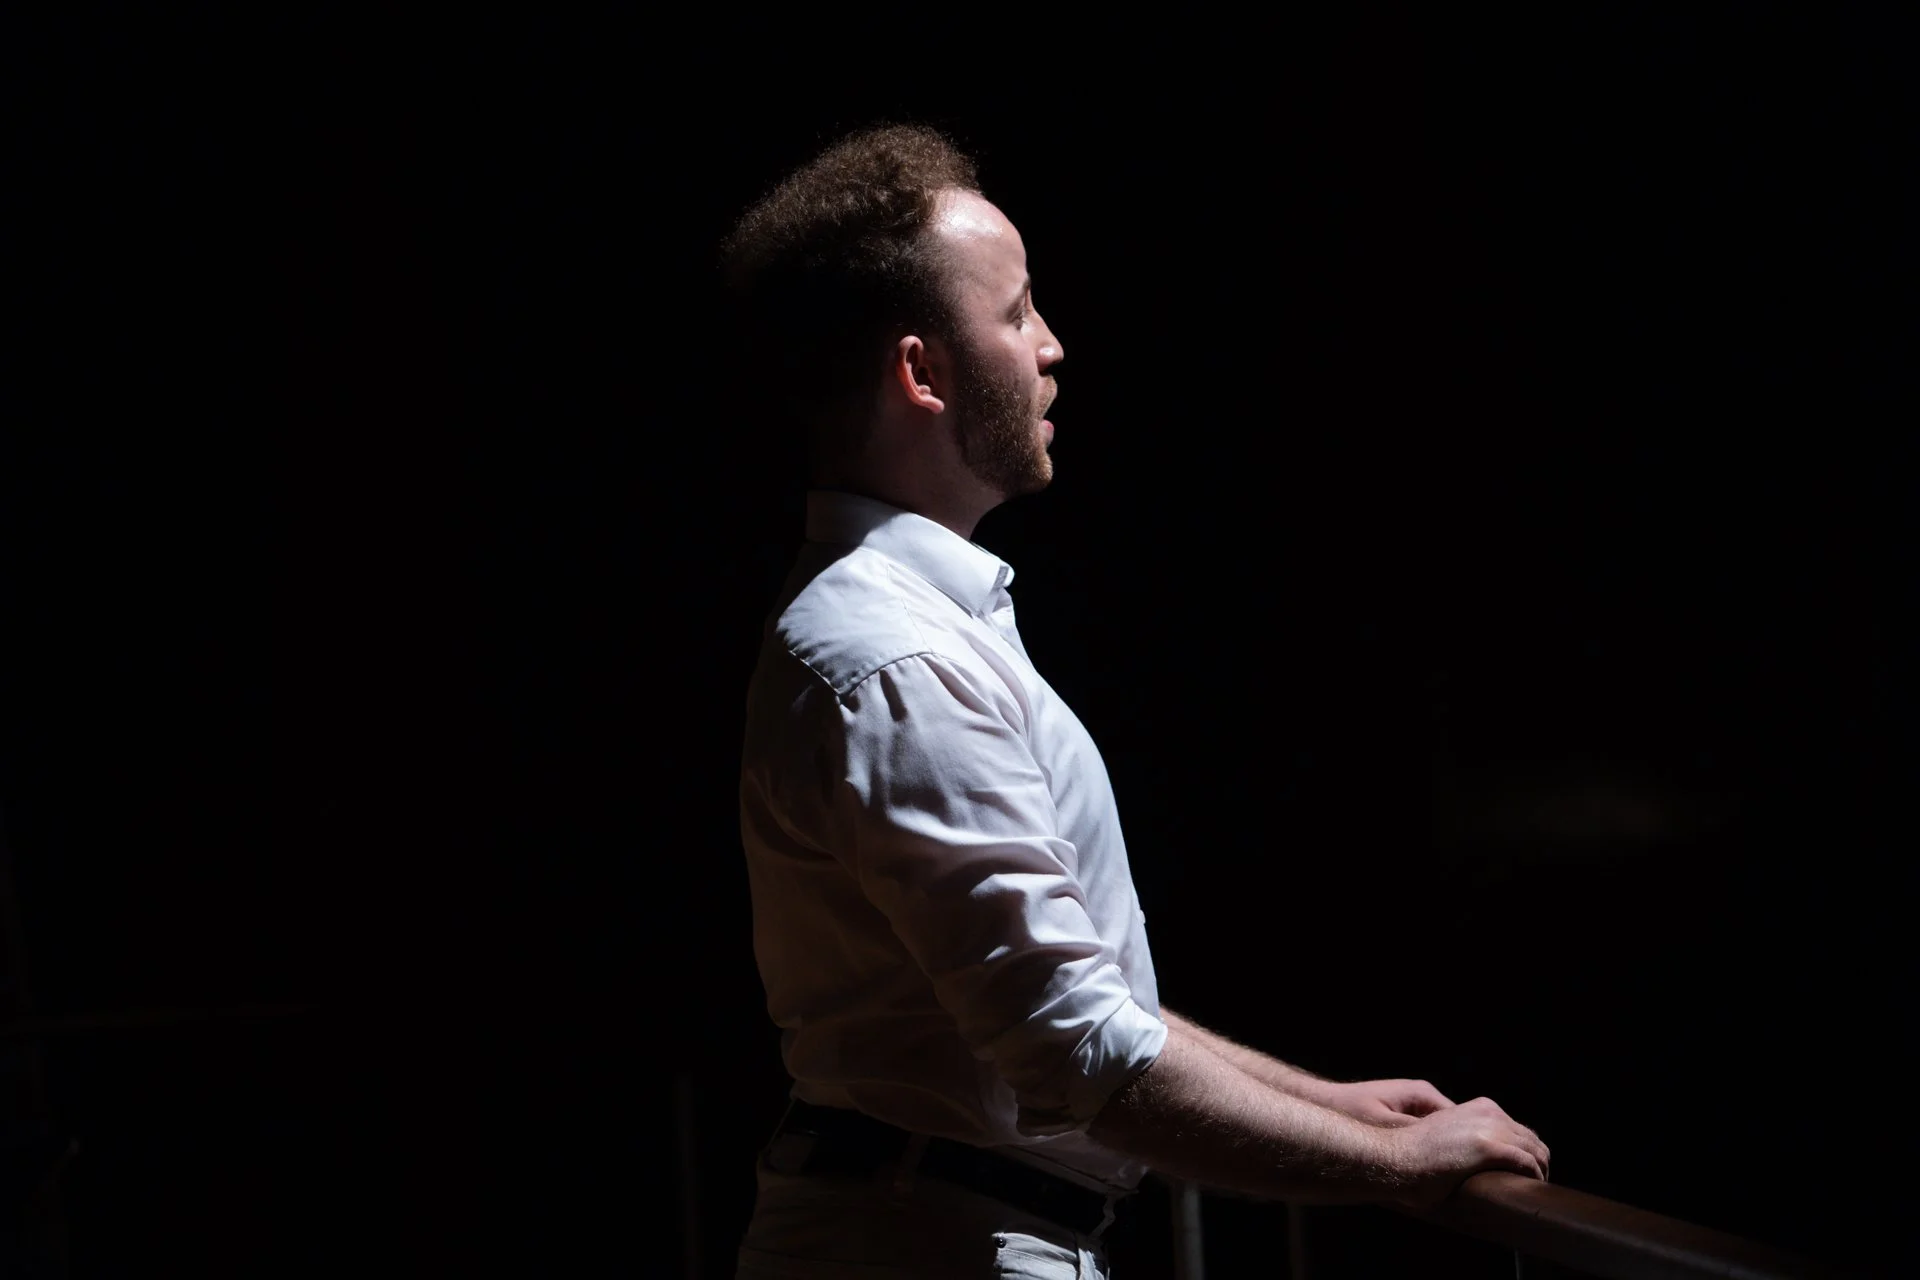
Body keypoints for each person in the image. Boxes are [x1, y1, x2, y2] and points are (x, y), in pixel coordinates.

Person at [725, 125, 1549, 1280]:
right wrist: (1400, 1166)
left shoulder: (908, 631)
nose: (1053, 347)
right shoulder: (897, 662)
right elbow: (1082, 1054)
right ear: (923, 372)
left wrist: (1331, 1105)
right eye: (1015, 314)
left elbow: (1082, 994)